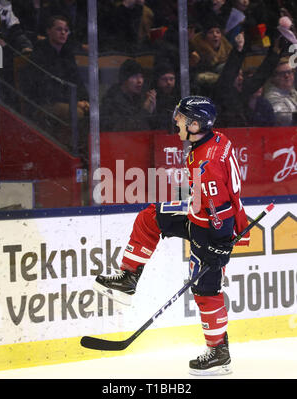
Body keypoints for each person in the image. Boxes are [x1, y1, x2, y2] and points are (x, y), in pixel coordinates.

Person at [93, 95, 250, 376]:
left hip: (210, 229)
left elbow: (220, 207)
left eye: (180, 118)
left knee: (206, 290)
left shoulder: (207, 164)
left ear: (195, 123)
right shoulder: (214, 140)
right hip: (199, 214)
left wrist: (221, 244)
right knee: (150, 217)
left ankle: (218, 352)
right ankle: (129, 277)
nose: (175, 121)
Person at [24, 15, 89, 161]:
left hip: (67, 102)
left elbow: (77, 80)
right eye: (59, 29)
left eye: (66, 30)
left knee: (93, 111)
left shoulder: (67, 53)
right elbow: (46, 88)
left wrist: (85, 100)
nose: (63, 33)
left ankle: (81, 154)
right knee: (76, 113)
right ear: (48, 31)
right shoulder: (40, 53)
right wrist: (74, 102)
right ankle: (68, 153)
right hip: (43, 105)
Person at [213, 31, 284, 127]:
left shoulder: (242, 92)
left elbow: (260, 77)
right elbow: (229, 72)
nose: (241, 78)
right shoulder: (221, 92)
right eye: (237, 75)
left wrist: (275, 52)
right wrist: (238, 51)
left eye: (242, 75)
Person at [100, 59, 156, 132]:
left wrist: (152, 110)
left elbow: (153, 128)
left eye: (141, 76)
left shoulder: (142, 97)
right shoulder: (112, 101)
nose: (140, 81)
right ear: (124, 79)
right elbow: (123, 130)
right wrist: (145, 111)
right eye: (134, 76)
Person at [264, 58, 297, 126]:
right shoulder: (271, 96)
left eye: (289, 72)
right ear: (274, 78)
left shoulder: (294, 93)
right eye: (282, 73)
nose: (287, 76)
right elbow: (283, 118)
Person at [150, 62, 180, 130]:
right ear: (157, 81)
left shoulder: (179, 97)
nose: (169, 82)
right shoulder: (152, 97)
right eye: (164, 79)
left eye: (171, 79)